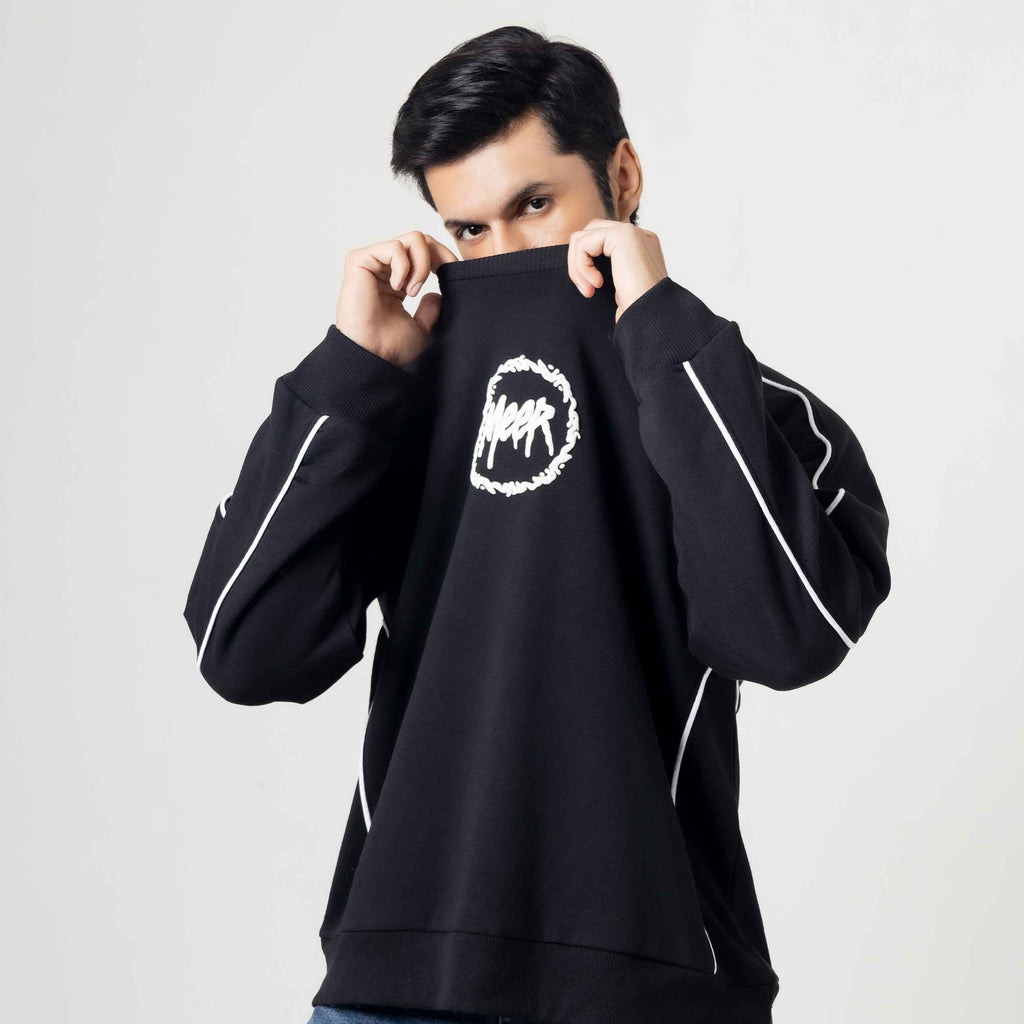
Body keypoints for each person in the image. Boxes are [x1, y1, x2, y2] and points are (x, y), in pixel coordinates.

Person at [182, 25, 892, 1024]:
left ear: (623, 177)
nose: (507, 256)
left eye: (533, 206)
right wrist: (352, 373)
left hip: (650, 987)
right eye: (470, 232)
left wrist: (667, 337)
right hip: (401, 986)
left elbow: (787, 635)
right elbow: (246, 650)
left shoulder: (751, 413)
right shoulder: (394, 407)